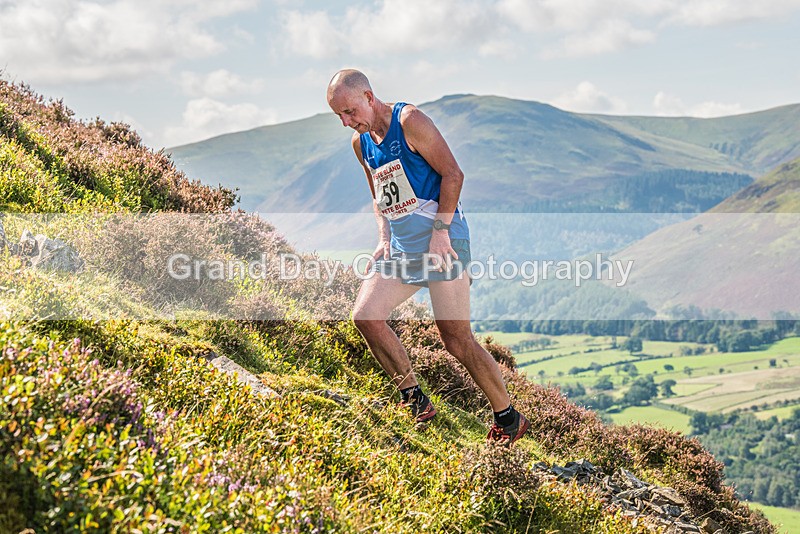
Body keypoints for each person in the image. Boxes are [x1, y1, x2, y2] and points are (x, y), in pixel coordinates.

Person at [326, 69, 529, 446]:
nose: (346, 122)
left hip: (444, 241)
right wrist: (383, 237)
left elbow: (453, 175)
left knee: (456, 339)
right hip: (403, 247)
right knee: (366, 317)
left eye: (350, 112)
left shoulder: (410, 121)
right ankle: (415, 401)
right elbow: (378, 197)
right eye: (339, 115)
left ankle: (508, 417)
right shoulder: (360, 143)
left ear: (369, 97)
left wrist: (439, 232)